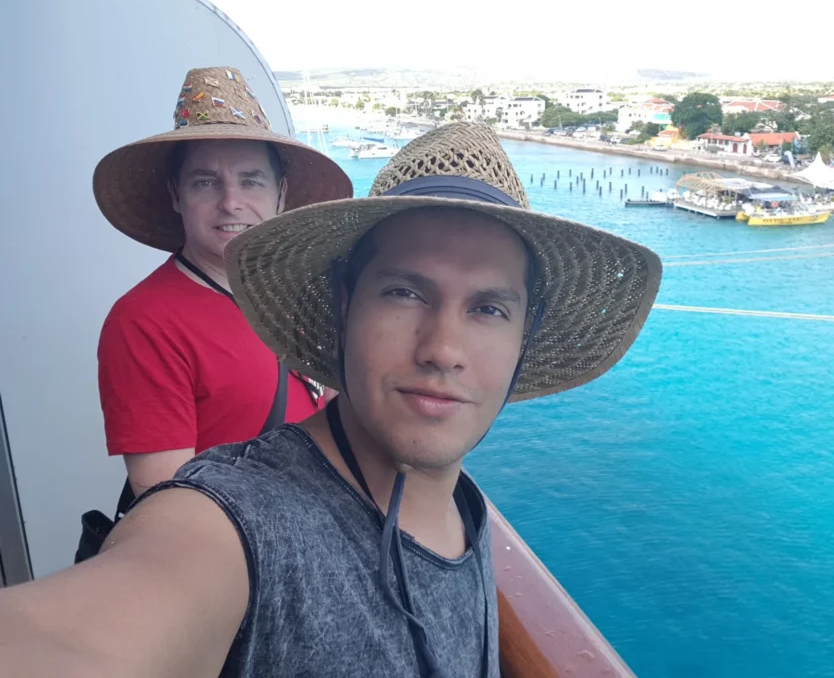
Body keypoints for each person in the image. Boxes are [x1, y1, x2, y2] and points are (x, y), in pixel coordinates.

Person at [0, 123, 662, 677]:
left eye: (488, 308)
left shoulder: (460, 509)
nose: (443, 348)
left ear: (527, 335)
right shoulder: (241, 523)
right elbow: (110, 617)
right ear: (346, 304)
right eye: (404, 292)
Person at [92, 66, 352, 497]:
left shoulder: (301, 294)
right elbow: (167, 505)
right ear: (177, 195)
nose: (231, 203)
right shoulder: (144, 321)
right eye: (206, 182)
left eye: (250, 181)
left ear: (280, 193)